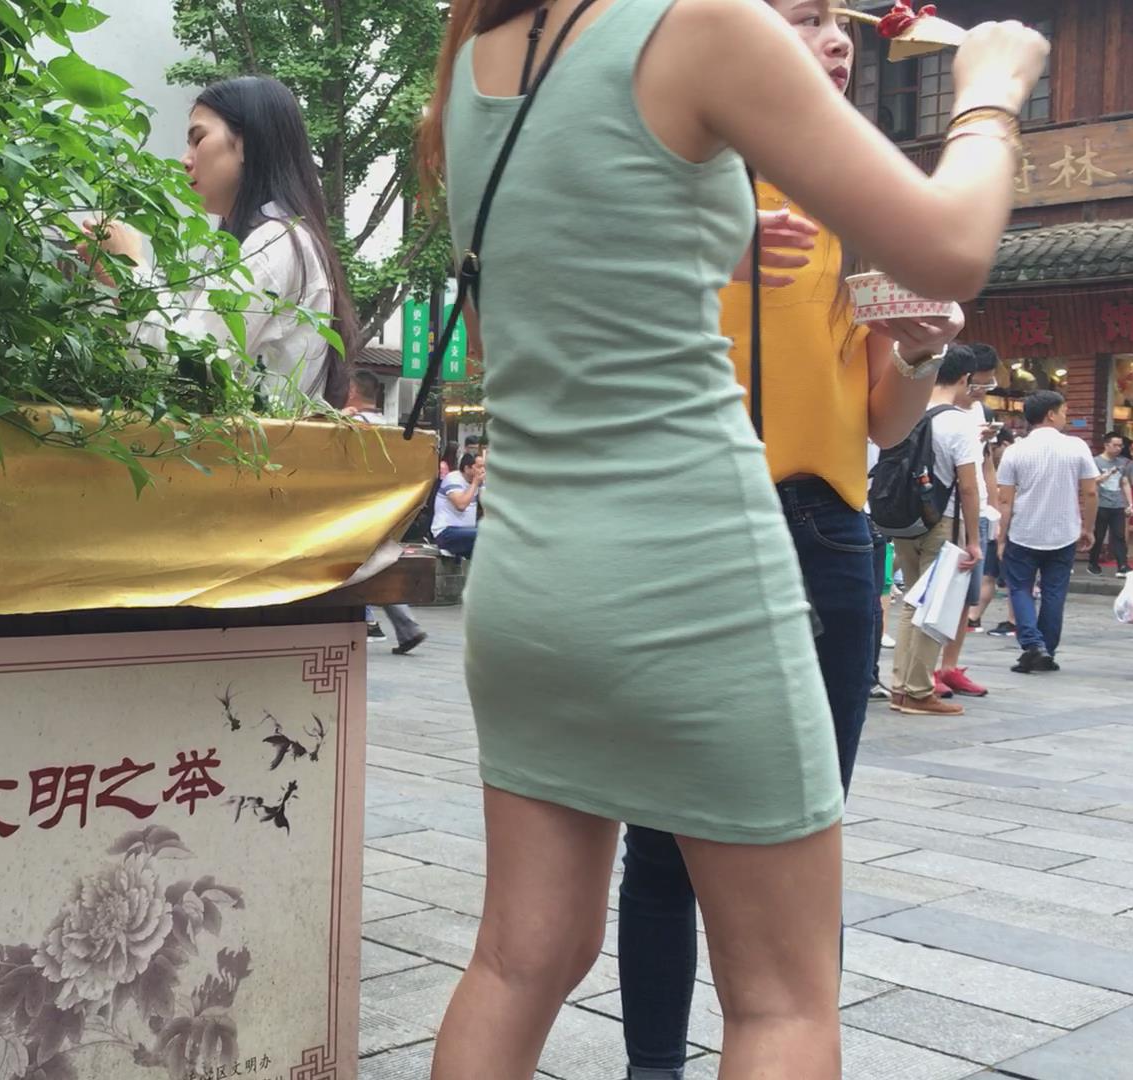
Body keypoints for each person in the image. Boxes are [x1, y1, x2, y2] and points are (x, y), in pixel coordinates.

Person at [414, 0, 1045, 1076]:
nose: (829, 30)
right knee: (781, 1003)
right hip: (692, 564)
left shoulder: (478, 62)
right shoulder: (705, 23)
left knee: (519, 961)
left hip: (530, 574)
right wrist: (990, 92)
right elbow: (950, 244)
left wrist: (709, 241)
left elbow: (561, 262)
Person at [613, 4, 964, 1075]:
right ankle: (653, 1067)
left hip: (825, 529)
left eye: (842, 19)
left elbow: (882, 419)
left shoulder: (860, 196)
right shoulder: (663, 163)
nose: (838, 38)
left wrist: (919, 353)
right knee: (663, 842)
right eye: (803, 15)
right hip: (684, 518)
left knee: (808, 843)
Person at [81, 76, 354, 409]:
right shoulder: (252, 243)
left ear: (247, 143)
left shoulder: (276, 242)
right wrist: (115, 281)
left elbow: (192, 367)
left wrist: (132, 270)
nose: (185, 159)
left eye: (198, 139)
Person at [887, 346, 988, 717]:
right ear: (964, 379)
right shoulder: (960, 423)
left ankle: (901, 686)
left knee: (911, 603)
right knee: (935, 605)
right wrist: (973, 540)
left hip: (903, 519)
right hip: (940, 522)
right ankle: (918, 692)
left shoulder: (908, 411)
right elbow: (969, 488)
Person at [996, 390, 1099, 674]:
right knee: (1054, 593)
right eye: (1064, 411)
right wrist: (1088, 528)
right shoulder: (1076, 446)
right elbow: (1091, 492)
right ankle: (1047, 650)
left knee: (1020, 589)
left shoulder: (1015, 451)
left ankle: (1033, 644)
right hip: (1064, 532)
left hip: (1024, 531)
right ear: (1051, 415)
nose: (1066, 417)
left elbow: (1005, 500)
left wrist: (1001, 537)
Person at [930, 351, 1002, 701]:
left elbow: (985, 466)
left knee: (965, 597)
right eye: (980, 383)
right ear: (964, 378)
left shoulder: (980, 413)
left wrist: (994, 509)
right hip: (948, 514)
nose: (984, 390)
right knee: (938, 596)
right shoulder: (935, 410)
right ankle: (927, 670)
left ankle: (949, 667)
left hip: (978, 513)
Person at [347, 371, 432, 656]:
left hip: (356, 509)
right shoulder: (390, 427)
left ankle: (372, 624)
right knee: (375, 565)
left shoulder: (355, 425)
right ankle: (405, 628)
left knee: (359, 566)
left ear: (352, 391)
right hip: (386, 508)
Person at [974, 425, 1018, 635]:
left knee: (1013, 577)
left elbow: (1008, 499)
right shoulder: (991, 465)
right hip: (995, 521)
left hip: (1011, 525)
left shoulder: (1014, 461)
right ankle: (973, 617)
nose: (990, 452)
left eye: (994, 447)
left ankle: (1013, 621)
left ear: (1005, 445)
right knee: (988, 574)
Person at [1089, 432, 1133, 577]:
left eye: (1120, 446)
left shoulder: (1122, 462)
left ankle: (1122, 565)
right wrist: (1106, 475)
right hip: (1100, 504)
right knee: (1098, 536)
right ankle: (1093, 563)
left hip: (1117, 504)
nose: (1118, 448)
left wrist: (1130, 504)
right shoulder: (1095, 461)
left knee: (1119, 536)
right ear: (1106, 445)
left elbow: (1125, 482)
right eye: (1115, 445)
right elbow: (1091, 482)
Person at [432, 453, 482, 558]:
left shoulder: (478, 483)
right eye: (479, 467)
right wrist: (475, 483)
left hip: (466, 534)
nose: (483, 471)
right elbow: (461, 505)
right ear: (467, 468)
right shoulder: (453, 479)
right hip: (446, 533)